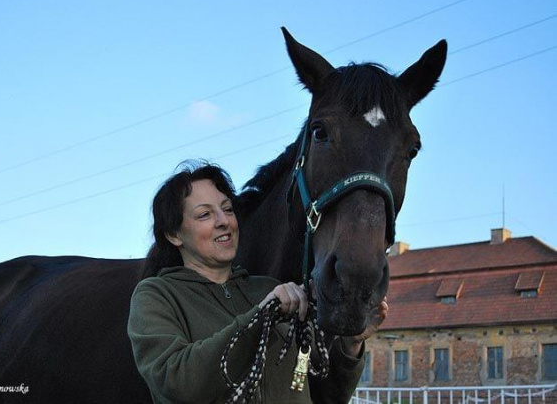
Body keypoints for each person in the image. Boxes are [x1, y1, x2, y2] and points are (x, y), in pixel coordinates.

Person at [128, 162, 388, 404]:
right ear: (174, 235)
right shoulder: (156, 296)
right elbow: (177, 381)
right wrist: (258, 320)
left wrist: (351, 345)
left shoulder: (267, 289)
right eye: (205, 214)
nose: (224, 221)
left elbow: (323, 393)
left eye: (227, 209)